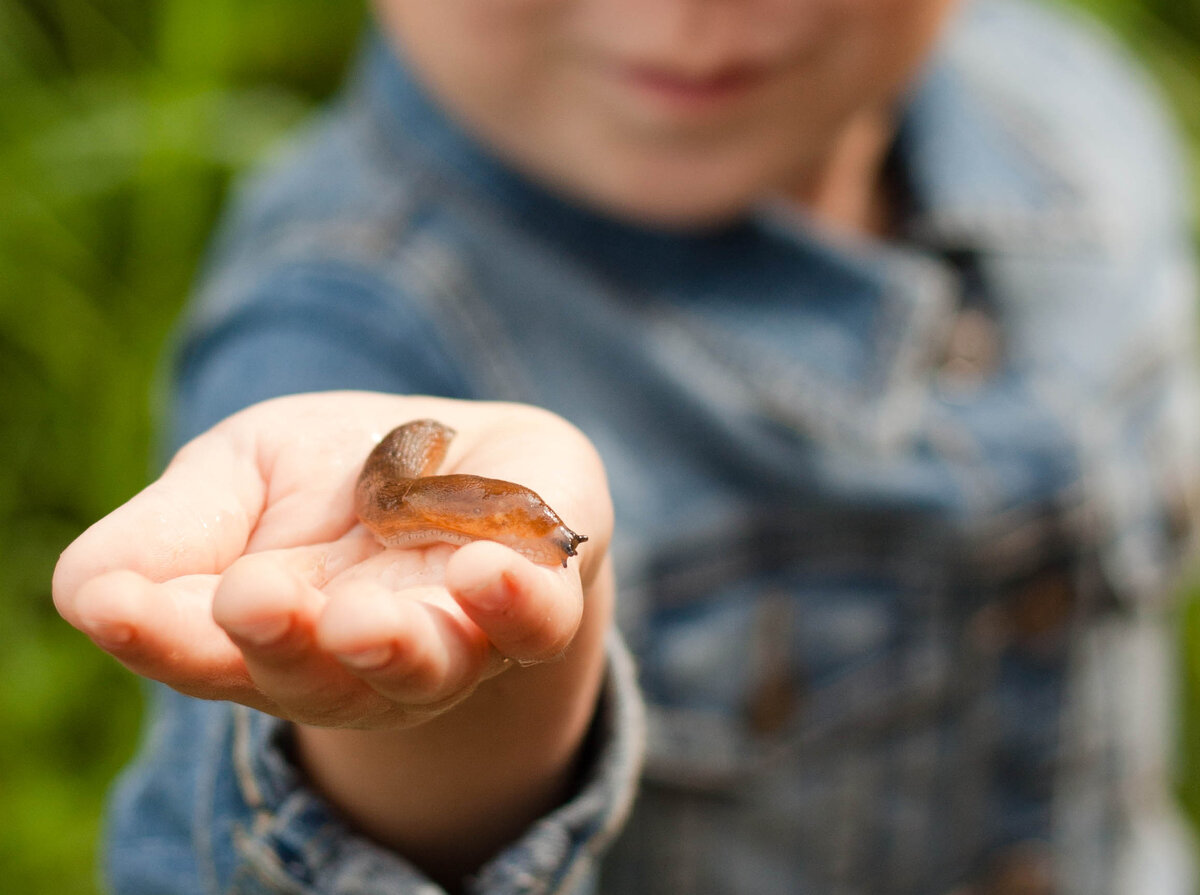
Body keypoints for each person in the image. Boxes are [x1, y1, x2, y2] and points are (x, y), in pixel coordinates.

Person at [52, 0, 1200, 892]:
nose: (681, 17)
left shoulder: (1073, 103)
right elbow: (223, 833)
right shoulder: (337, 327)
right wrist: (444, 712)